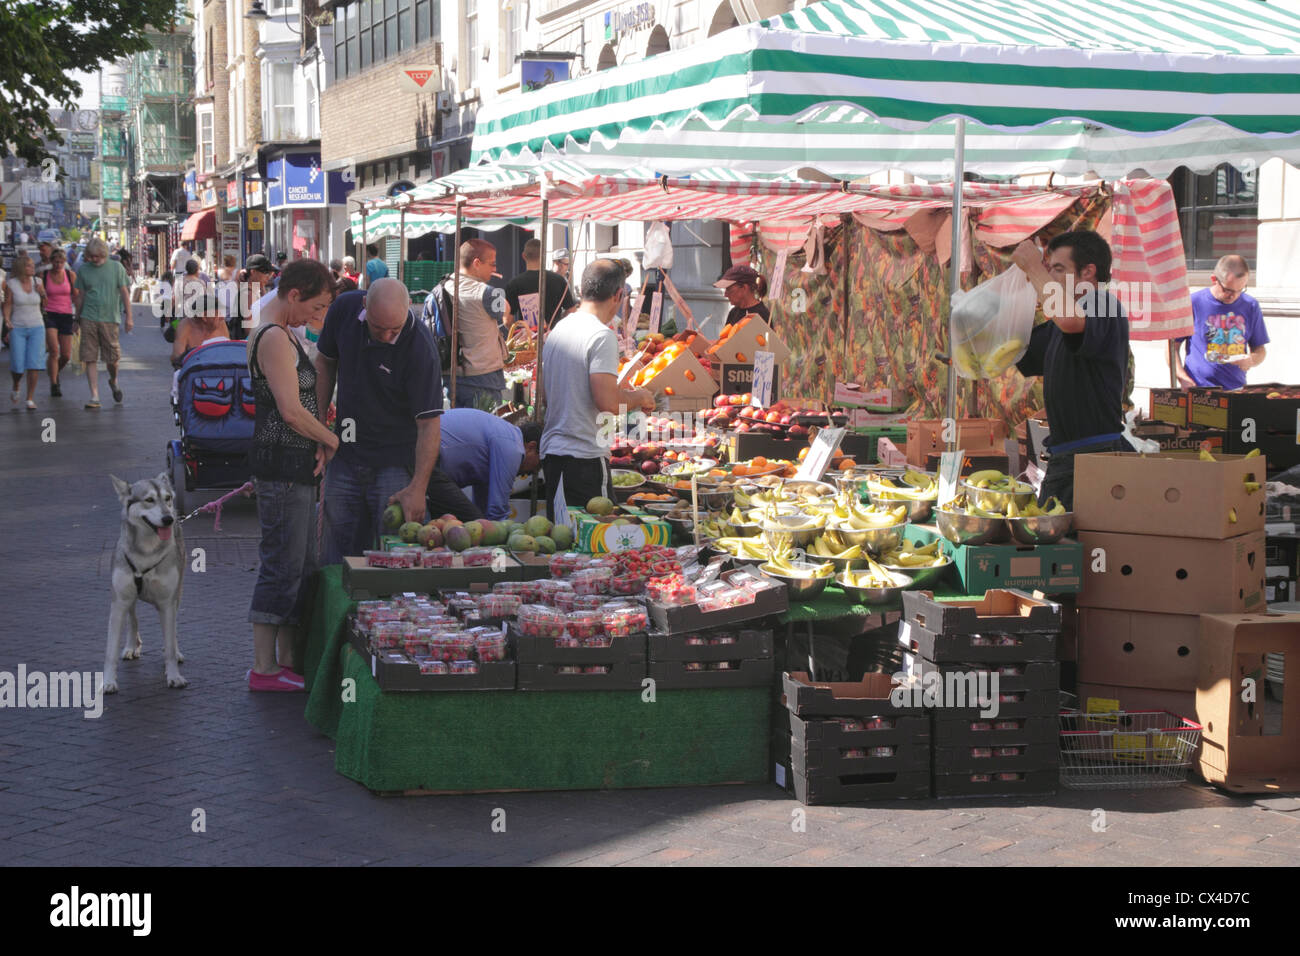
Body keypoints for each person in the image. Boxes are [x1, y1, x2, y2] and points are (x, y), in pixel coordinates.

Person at [246, 259, 339, 691]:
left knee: (299, 564)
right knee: (281, 565)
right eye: (316, 307)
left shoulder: (283, 333)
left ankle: (285, 661)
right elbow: (290, 410)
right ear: (294, 295)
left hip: (294, 464)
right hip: (281, 465)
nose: (317, 317)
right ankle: (264, 668)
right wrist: (331, 440)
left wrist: (318, 442)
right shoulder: (273, 338)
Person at [314, 278, 444, 566]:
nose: (386, 336)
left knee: (392, 551)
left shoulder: (420, 348)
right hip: (345, 451)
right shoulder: (344, 310)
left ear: (408, 309)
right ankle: (335, 606)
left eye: (393, 330)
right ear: (364, 306)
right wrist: (319, 425)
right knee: (336, 545)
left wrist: (418, 487)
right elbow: (324, 363)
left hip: (394, 462)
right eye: (378, 328)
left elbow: (429, 425)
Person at [1012, 230, 1129, 511]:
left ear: (1088, 273)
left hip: (1095, 459)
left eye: (1058, 269)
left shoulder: (1102, 303)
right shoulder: (1058, 326)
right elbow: (1013, 349)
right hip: (1067, 460)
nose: (1049, 276)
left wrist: (1033, 266)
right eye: (1048, 269)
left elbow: (1067, 318)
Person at [539, 259, 656, 520]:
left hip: (554, 453)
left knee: (563, 539)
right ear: (618, 295)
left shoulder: (559, 328)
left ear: (582, 290)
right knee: (596, 544)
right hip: (584, 457)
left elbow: (545, 395)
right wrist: (639, 397)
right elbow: (609, 403)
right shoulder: (601, 336)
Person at [1172, 254, 1268, 390]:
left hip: (1236, 389)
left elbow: (1260, 350)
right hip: (1199, 389)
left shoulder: (1251, 306)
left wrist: (1251, 360)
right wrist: (1182, 377)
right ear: (1214, 279)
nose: (1233, 296)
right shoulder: (1193, 303)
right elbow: (1171, 347)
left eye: (1240, 290)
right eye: (1228, 290)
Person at [431, 410, 542, 521]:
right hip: (431, 456)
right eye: (539, 464)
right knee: (470, 520)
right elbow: (498, 510)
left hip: (431, 452)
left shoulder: (506, 436)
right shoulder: (513, 448)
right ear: (531, 447)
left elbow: (483, 503)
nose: (535, 470)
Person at [446, 238, 510, 411]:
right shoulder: (488, 292)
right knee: (484, 432)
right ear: (476, 263)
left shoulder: (443, 286)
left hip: (451, 376)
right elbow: (506, 310)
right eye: (492, 264)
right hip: (483, 376)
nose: (495, 269)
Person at [73, 237, 132, 409]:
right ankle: (95, 396)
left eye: (96, 256)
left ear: (103, 253)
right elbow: (81, 296)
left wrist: (129, 317)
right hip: (88, 318)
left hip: (110, 319)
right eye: (90, 257)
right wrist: (76, 319)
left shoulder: (116, 268)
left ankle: (113, 380)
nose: (93, 260)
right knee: (89, 357)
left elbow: (125, 293)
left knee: (112, 359)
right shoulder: (84, 270)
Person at [4, 254, 47, 409]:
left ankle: (29, 398)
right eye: (29, 265)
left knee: (34, 364)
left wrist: (42, 292)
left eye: (32, 265)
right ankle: (16, 384)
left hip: (37, 325)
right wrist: (7, 320)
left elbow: (45, 303)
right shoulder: (12, 284)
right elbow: (7, 303)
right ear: (22, 268)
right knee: (18, 364)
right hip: (18, 327)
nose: (32, 268)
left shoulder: (38, 282)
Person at [505, 238, 576, 332]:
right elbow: (571, 310)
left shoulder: (514, 284)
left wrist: (517, 335)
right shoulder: (559, 280)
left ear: (523, 256)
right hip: (554, 337)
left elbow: (507, 320)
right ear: (544, 255)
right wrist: (558, 325)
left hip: (528, 340)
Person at [42, 247, 77, 397]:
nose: (57, 265)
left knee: (66, 355)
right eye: (55, 262)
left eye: (60, 262)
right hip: (50, 314)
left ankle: (54, 372)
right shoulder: (44, 275)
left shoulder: (70, 275)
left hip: (66, 315)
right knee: (54, 352)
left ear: (64, 262)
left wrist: (79, 317)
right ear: (51, 262)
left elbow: (76, 296)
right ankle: (54, 384)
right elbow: (40, 296)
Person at [170, 284, 229, 369]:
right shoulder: (185, 326)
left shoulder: (221, 323)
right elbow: (177, 357)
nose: (222, 317)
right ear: (204, 317)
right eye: (217, 313)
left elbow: (227, 352)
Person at [226, 254, 275, 341]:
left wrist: (262, 286)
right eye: (265, 272)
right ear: (253, 272)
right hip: (245, 345)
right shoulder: (249, 294)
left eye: (270, 274)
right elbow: (249, 329)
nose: (268, 277)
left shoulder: (250, 290)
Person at [714, 264, 771, 330]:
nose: (725, 294)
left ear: (744, 288)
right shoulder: (734, 312)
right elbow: (725, 340)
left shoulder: (761, 315)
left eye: (729, 289)